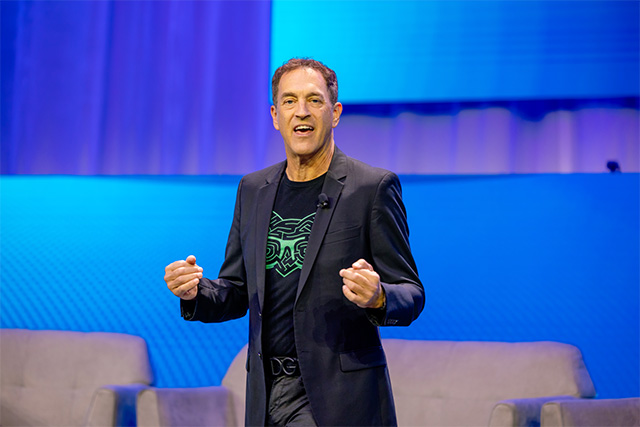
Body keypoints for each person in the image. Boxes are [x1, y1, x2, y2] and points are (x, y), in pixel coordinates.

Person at [164, 58, 424, 426]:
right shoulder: (253, 190)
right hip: (266, 393)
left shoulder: (371, 188)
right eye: (289, 101)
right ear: (274, 114)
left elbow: (412, 293)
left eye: (314, 100)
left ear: (334, 113)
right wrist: (195, 292)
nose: (301, 112)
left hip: (337, 399)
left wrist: (379, 296)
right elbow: (238, 291)